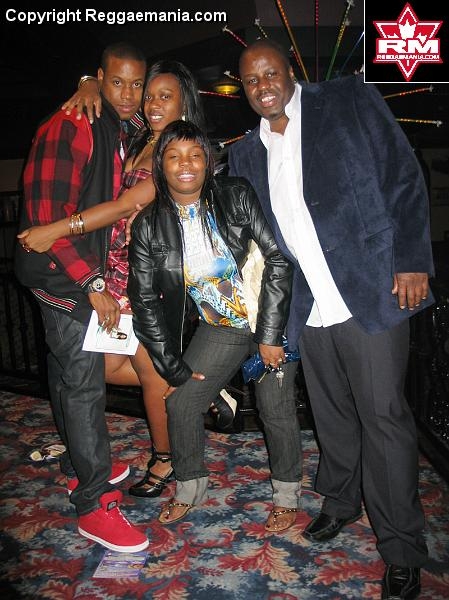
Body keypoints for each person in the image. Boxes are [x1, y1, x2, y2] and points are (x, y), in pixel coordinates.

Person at [227, 38, 434, 600]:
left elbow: (402, 174)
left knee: (383, 416)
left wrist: (412, 259)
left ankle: (401, 546)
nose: (263, 86)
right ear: (243, 89)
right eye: (251, 79)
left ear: (290, 71)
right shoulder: (245, 153)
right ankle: (341, 502)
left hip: (371, 285)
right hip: (306, 302)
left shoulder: (347, 99)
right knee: (331, 412)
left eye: (271, 73)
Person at [17, 60, 237, 498]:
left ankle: (166, 458)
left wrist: (55, 229)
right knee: (104, 366)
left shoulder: (175, 148)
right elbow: (117, 96)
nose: (152, 104)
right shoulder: (142, 132)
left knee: (135, 368)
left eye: (165, 97)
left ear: (183, 103)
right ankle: (196, 384)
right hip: (115, 268)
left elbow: (124, 206)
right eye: (149, 95)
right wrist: (88, 82)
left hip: (144, 274)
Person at [127, 120, 300, 528]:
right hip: (220, 326)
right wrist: (173, 366)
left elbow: (277, 259)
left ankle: (287, 495)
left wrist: (270, 334)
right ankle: (190, 487)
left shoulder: (235, 194)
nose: (186, 164)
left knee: (275, 408)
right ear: (161, 165)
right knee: (181, 402)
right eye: (174, 156)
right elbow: (145, 301)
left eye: (195, 155)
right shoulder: (149, 225)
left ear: (207, 161)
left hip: (268, 314)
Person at [14, 42, 149, 552]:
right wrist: (93, 284)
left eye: (136, 84)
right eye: (116, 82)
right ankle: (94, 504)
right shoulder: (70, 127)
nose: (129, 94)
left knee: (65, 374)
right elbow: (46, 219)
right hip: (60, 276)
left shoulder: (116, 123)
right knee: (83, 384)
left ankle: (79, 464)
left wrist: (89, 85)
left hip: (74, 271)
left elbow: (155, 121)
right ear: (100, 77)